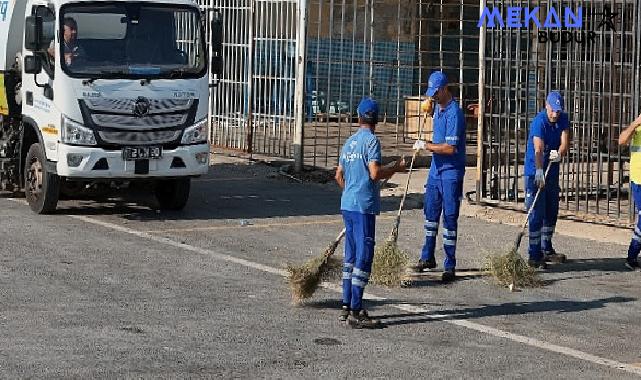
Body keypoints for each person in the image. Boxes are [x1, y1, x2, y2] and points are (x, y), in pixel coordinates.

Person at [335, 97, 405, 328]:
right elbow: (374, 173)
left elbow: (338, 176)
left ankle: (346, 306)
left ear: (358, 117)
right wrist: (394, 168)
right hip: (363, 207)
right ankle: (356, 309)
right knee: (364, 257)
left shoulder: (349, 143)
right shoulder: (371, 142)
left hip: (348, 203)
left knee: (351, 256)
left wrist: (352, 192)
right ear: (376, 119)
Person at [412, 71, 466, 282]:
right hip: (435, 171)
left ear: (445, 89)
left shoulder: (455, 114)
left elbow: (450, 148)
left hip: (451, 172)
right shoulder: (438, 109)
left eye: (435, 93)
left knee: (450, 216)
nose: (432, 96)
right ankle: (427, 257)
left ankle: (449, 264)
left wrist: (426, 146)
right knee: (430, 214)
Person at [523, 91, 570, 268]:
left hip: (552, 170)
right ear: (546, 106)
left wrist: (560, 153)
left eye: (558, 111)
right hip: (535, 170)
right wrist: (539, 170)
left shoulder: (563, 119)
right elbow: (538, 148)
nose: (555, 114)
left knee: (551, 210)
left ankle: (546, 248)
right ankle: (534, 254)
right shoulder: (539, 122)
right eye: (553, 110)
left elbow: (565, 142)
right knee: (536, 212)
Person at [618, 113, 641, 271]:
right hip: (639, 179)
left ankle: (632, 256)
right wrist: (635, 124)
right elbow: (622, 140)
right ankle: (632, 255)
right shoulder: (637, 128)